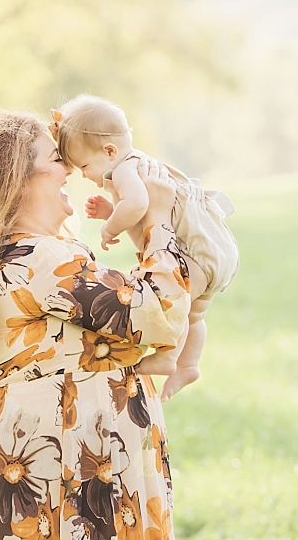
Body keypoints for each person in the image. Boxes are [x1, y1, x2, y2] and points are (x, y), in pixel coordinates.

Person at [0, 109, 191, 540]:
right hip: (69, 454)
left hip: (68, 444)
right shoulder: (40, 258)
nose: (69, 168)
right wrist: (157, 220)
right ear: (16, 178)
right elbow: (159, 314)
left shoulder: (20, 255)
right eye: (56, 157)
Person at [49, 95, 239, 400]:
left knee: (172, 304)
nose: (83, 175)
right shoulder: (138, 165)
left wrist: (109, 227)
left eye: (84, 166)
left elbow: (137, 205)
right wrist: (112, 210)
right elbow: (142, 207)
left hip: (192, 253)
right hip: (212, 252)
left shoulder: (124, 169)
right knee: (193, 314)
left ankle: (168, 358)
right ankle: (188, 364)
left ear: (109, 150)